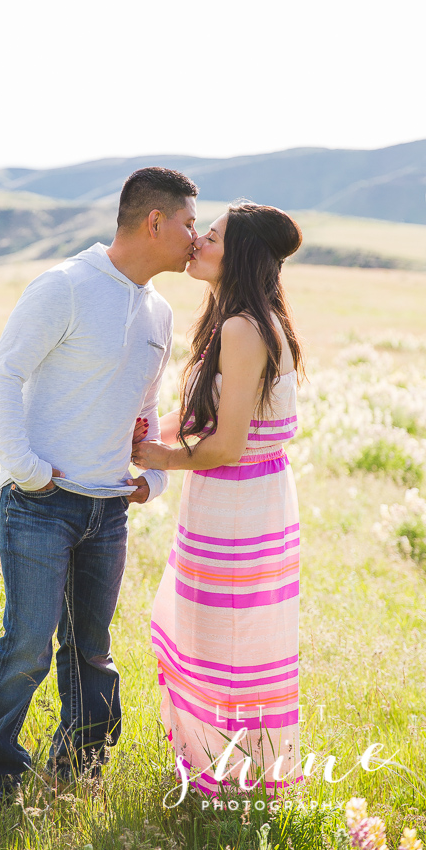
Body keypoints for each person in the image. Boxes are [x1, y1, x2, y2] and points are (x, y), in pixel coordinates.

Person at [0, 166, 199, 823]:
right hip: (41, 501)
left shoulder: (160, 311)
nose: (195, 238)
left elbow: (145, 405)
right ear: (154, 221)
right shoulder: (64, 285)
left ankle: (77, 771)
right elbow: (4, 372)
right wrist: (25, 467)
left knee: (92, 652)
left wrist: (155, 475)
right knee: (29, 644)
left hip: (109, 508)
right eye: (188, 223)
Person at [132, 200, 305, 796]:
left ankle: (228, 783)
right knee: (221, 640)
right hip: (245, 505)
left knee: (219, 644)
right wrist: (159, 431)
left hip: (237, 509)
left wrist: (159, 458)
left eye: (212, 236)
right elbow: (213, 417)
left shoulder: (242, 328)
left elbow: (227, 445)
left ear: (243, 255)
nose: (198, 243)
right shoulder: (243, 318)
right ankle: (230, 775)